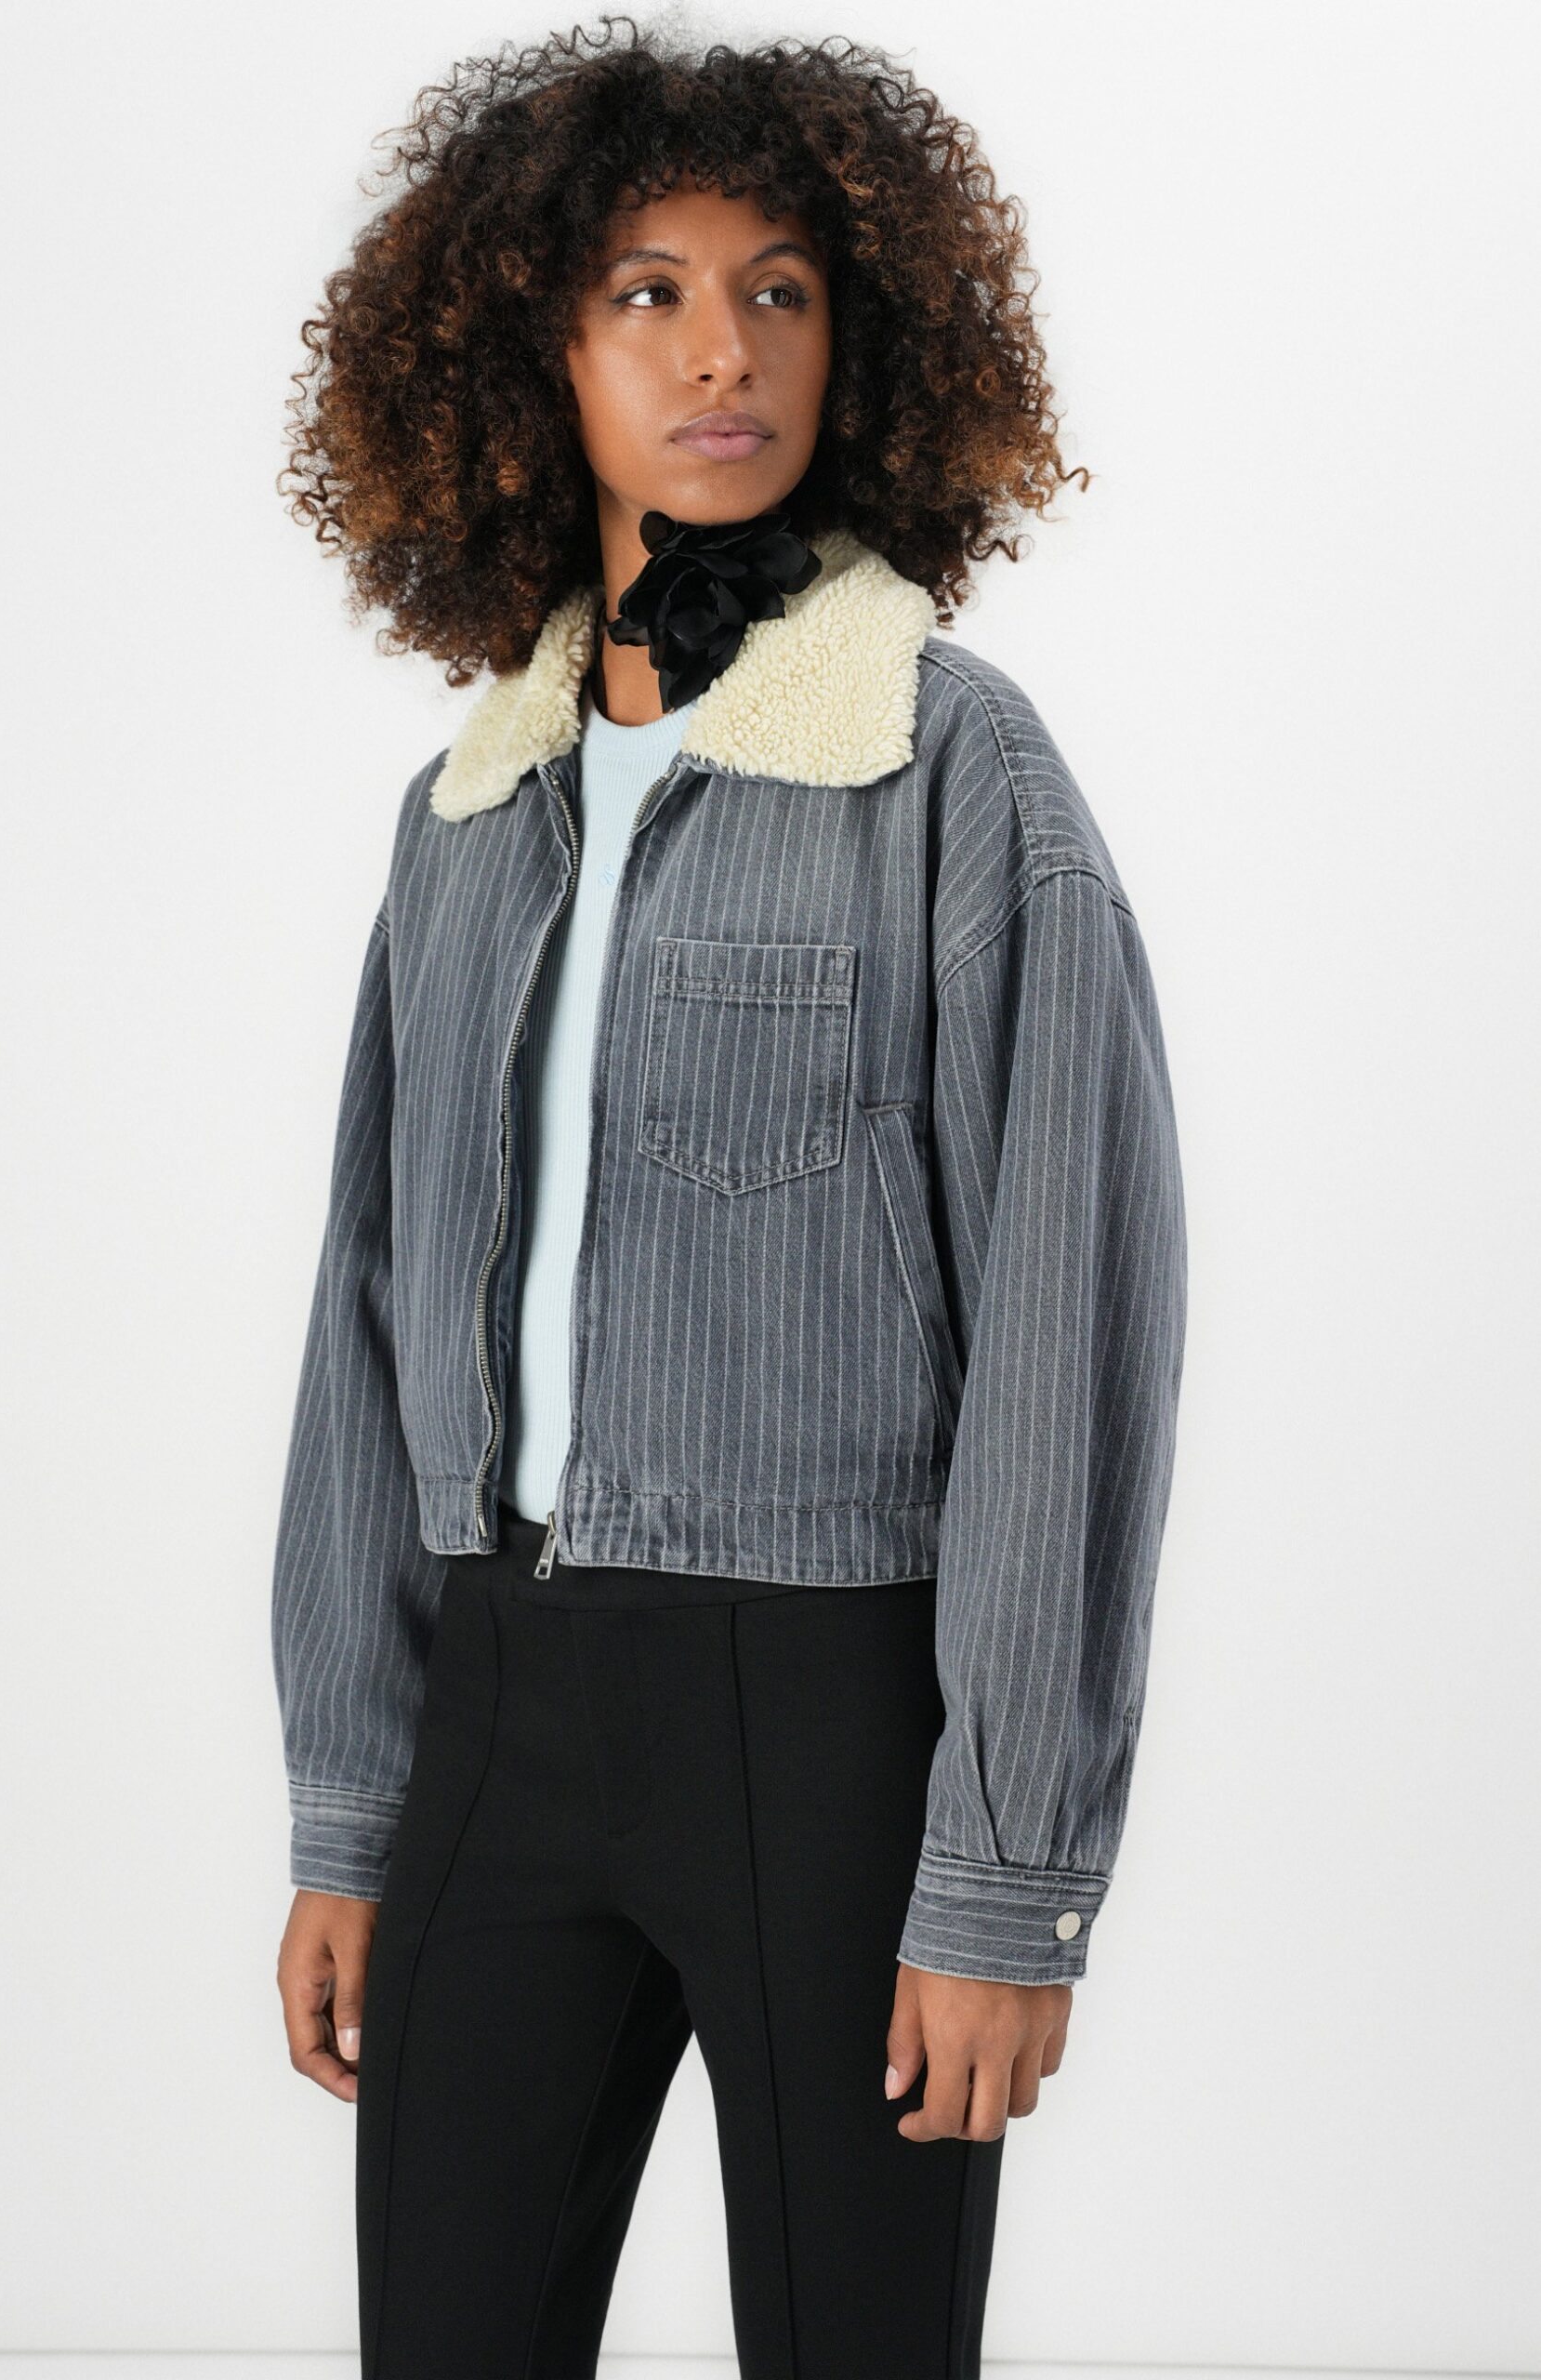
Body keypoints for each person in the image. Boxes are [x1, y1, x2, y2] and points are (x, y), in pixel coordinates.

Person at [269, 23, 1188, 2377]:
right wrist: (353, 1805)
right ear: (531, 357)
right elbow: (364, 1332)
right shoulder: (465, 813)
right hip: (498, 1701)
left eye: (779, 291)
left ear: (860, 342)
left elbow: (1069, 1334)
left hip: (828, 1712)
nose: (721, 353)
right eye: (648, 293)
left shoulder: (947, 764)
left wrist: (1004, 1871)